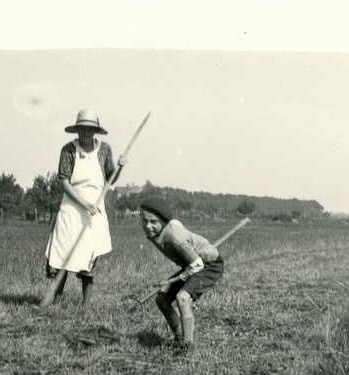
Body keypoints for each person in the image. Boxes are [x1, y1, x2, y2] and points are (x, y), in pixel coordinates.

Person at [40, 109, 126, 307]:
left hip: (95, 211)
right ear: (77, 129)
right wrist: (82, 203)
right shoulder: (68, 150)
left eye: (90, 129)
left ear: (95, 130)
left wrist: (120, 167)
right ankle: (56, 302)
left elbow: (111, 179)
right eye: (82, 129)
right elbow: (64, 183)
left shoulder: (105, 149)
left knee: (89, 257)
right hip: (72, 209)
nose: (86, 133)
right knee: (62, 255)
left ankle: (85, 307)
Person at [138, 199, 225, 350]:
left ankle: (187, 346)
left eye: (153, 221)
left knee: (182, 297)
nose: (148, 226)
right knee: (162, 300)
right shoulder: (160, 230)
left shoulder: (174, 238)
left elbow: (197, 265)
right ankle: (179, 337)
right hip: (191, 264)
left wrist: (171, 281)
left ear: (163, 222)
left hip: (208, 265)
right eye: (144, 220)